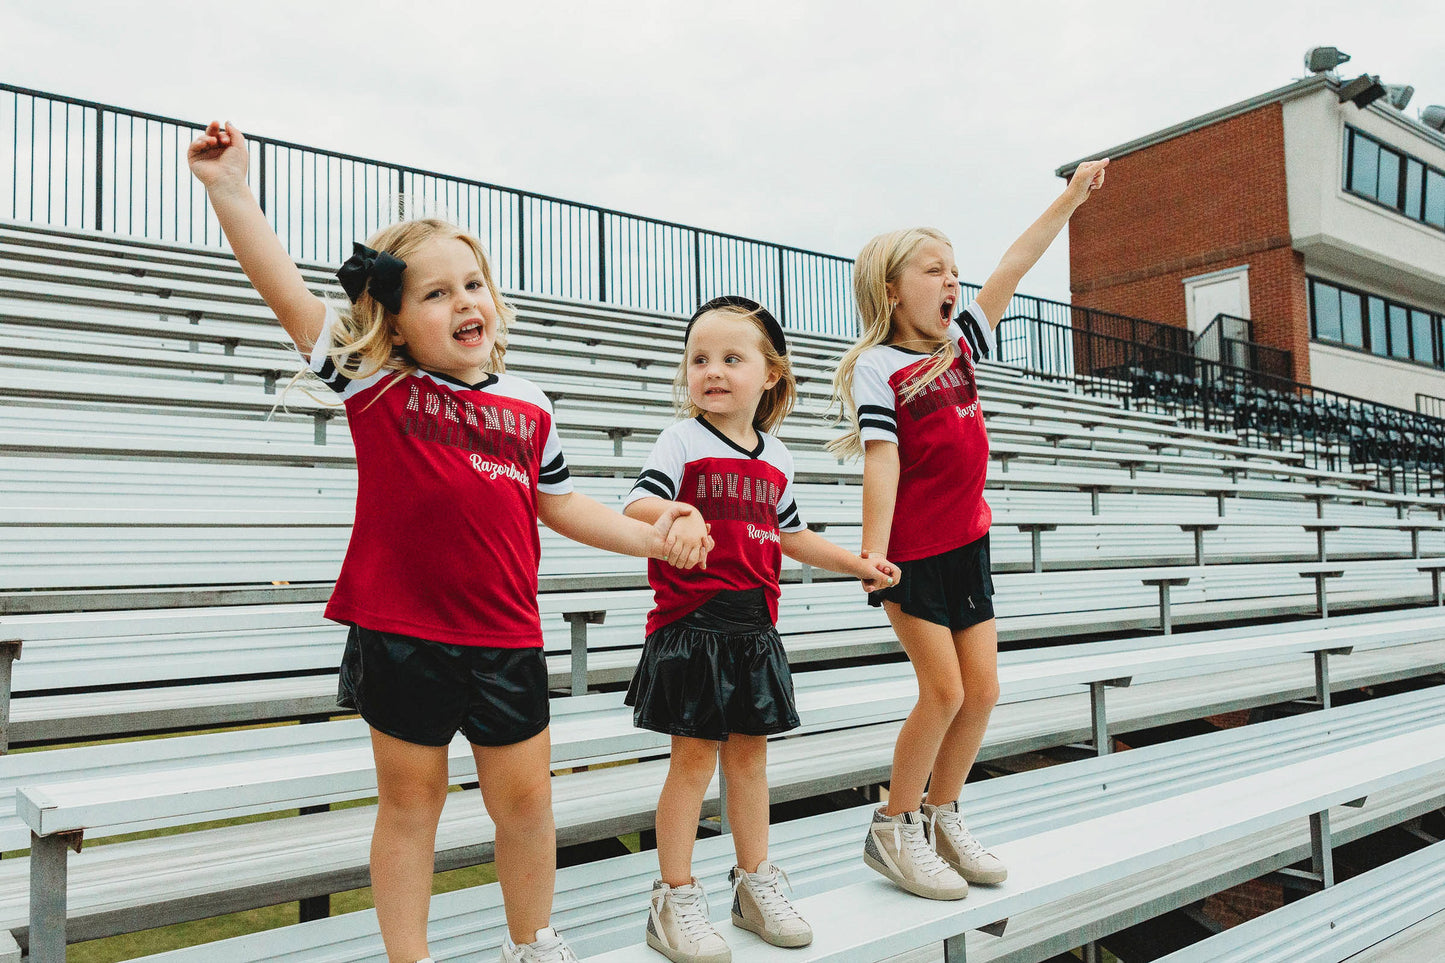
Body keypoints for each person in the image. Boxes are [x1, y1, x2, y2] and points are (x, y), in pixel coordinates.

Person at [187, 120, 711, 963]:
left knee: (526, 803)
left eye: (472, 284)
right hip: (401, 634)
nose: (464, 302)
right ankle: (410, 956)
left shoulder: (530, 403)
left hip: (504, 635)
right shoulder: (377, 382)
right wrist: (229, 190)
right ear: (394, 319)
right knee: (410, 803)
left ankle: (532, 942)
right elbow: (285, 292)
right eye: (435, 293)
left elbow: (565, 504)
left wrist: (657, 535)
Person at [830, 159, 1110, 900]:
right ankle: (893, 824)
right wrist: (873, 551)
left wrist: (1071, 198)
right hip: (910, 557)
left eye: (954, 271)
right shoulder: (878, 368)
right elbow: (882, 460)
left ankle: (942, 812)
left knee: (981, 691)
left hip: (968, 542)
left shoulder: (960, 347)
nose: (951, 282)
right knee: (944, 691)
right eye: (933, 270)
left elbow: (1013, 266)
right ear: (892, 288)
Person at [623, 296, 900, 963]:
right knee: (691, 763)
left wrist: (856, 561)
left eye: (729, 358)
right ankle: (674, 897)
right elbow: (635, 503)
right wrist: (680, 510)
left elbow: (793, 534)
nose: (710, 371)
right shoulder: (681, 439)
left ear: (770, 373)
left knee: (749, 760)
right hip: (692, 627)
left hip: (753, 629)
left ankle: (753, 884)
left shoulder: (776, 456)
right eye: (698, 359)